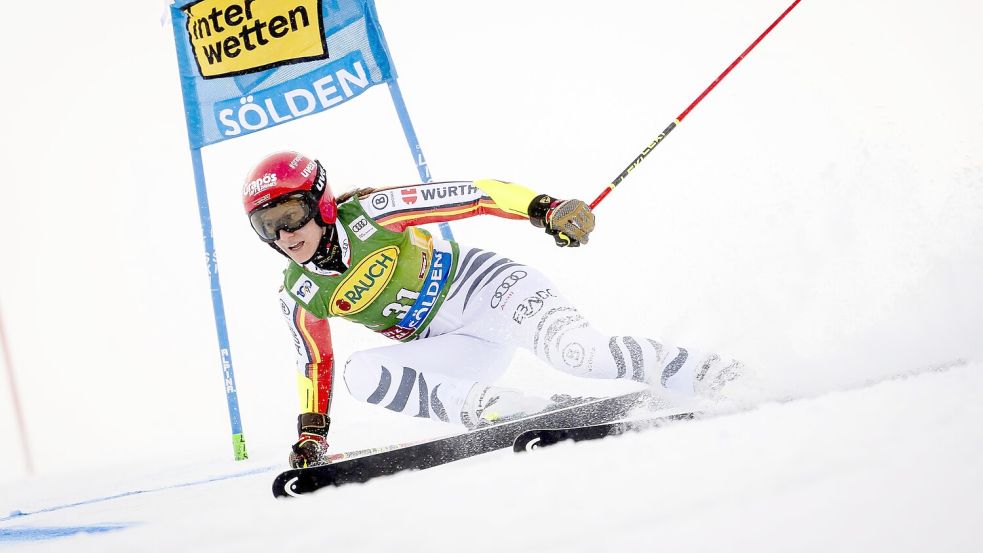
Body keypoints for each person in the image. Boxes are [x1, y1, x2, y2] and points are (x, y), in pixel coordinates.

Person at [242, 151, 742, 468]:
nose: (285, 236)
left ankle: (715, 374)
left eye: (291, 215)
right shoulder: (298, 293)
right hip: (455, 347)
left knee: (580, 355)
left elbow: (477, 195)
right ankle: (514, 411)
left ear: (321, 204)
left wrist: (544, 208)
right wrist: (312, 436)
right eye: (268, 227)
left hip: (490, 291)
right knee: (360, 373)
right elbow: (316, 364)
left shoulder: (372, 213)